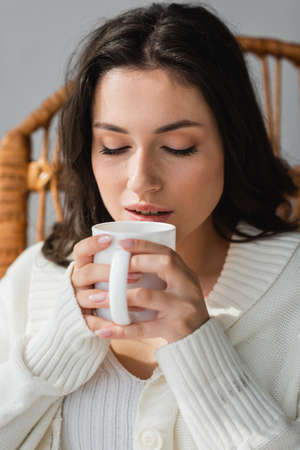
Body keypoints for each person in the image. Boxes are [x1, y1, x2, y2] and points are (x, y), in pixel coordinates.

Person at [1, 2, 300, 449]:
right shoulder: (32, 280)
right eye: (114, 146)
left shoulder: (291, 293)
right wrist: (57, 344)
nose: (141, 181)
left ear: (231, 146)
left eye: (179, 147)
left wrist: (198, 346)